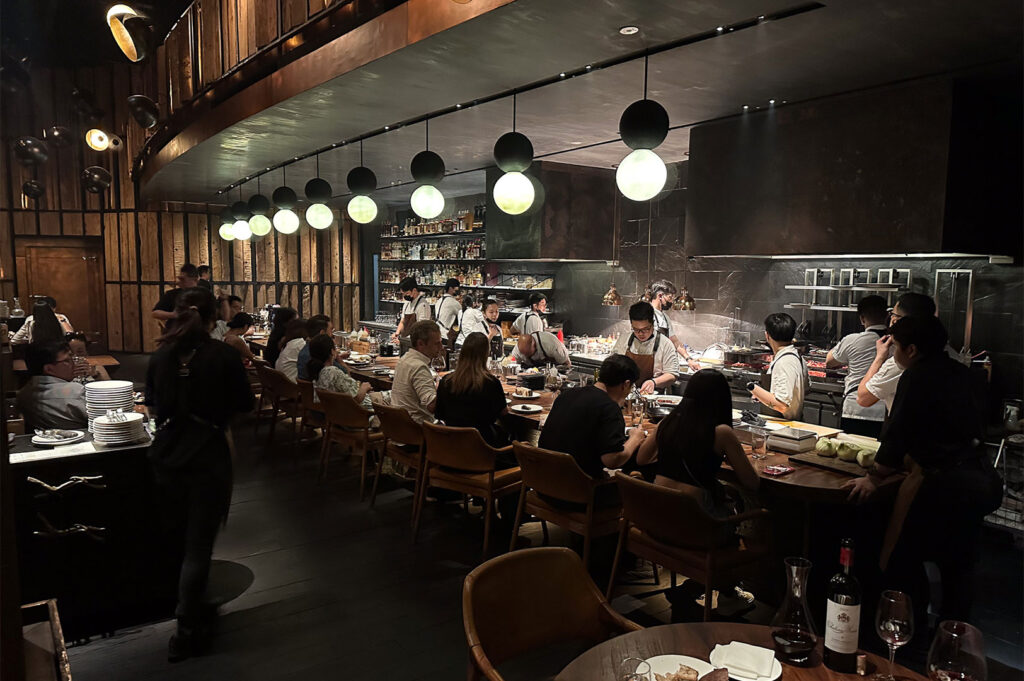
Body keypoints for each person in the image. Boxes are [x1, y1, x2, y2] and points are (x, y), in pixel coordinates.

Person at [844, 315, 1000, 633]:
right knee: (958, 566)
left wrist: (874, 478)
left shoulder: (916, 375)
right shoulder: (966, 373)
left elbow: (899, 431)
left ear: (912, 349)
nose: (894, 353)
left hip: (937, 483)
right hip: (977, 478)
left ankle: (905, 632)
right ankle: (953, 637)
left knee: (905, 557)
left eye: (897, 347)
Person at [144, 287, 253, 662]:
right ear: (213, 318)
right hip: (208, 454)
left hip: (166, 455)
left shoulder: (161, 356)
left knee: (178, 541)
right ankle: (187, 629)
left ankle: (188, 608)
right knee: (198, 545)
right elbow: (244, 403)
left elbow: (152, 405)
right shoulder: (223, 355)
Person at [637, 369, 759, 517]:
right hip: (696, 520)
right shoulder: (722, 433)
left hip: (659, 513)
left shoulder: (667, 422)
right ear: (723, 399)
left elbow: (641, 459)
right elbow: (752, 482)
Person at [538, 354, 647, 493]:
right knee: (639, 485)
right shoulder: (609, 408)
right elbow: (612, 460)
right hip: (578, 493)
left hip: (543, 484)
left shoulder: (567, 394)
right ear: (626, 384)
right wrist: (636, 438)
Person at [856, 292, 937, 414]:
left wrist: (880, 357)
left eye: (893, 315)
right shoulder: (950, 356)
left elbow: (863, 398)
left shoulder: (900, 364)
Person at [826, 295, 889, 437]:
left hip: (855, 409)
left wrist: (841, 346)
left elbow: (829, 362)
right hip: (884, 411)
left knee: (849, 447)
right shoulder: (896, 343)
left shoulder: (852, 339)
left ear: (862, 318)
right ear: (887, 316)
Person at [435, 332, 511, 449]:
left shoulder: (445, 381)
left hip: (451, 448)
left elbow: (439, 414)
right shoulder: (491, 383)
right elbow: (503, 414)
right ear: (486, 354)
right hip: (483, 449)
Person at [16, 339, 88, 429]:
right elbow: (102, 419)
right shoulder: (76, 392)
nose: (73, 364)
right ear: (49, 369)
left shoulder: (23, 394)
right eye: (67, 360)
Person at [748, 313, 808, 420]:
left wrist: (751, 387)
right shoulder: (797, 357)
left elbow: (781, 405)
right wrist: (761, 396)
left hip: (783, 425)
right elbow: (804, 389)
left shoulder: (785, 362)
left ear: (767, 335)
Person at [612, 301, 680, 394]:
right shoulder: (623, 340)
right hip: (625, 394)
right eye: (636, 329)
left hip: (654, 396)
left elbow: (672, 374)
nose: (641, 334)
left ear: (653, 324)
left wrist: (654, 382)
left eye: (645, 329)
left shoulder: (665, 344)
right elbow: (612, 366)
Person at [391, 320, 442, 424]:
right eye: (437, 343)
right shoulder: (419, 367)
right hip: (416, 427)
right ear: (420, 344)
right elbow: (432, 406)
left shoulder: (404, 359)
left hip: (398, 424)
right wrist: (445, 388)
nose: (441, 347)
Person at [648, 279, 701, 372]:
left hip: (662, 365)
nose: (672, 301)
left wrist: (689, 359)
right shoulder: (646, 314)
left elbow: (675, 341)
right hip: (649, 365)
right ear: (660, 296)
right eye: (670, 297)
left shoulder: (665, 317)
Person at [307, 335, 372, 409]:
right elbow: (356, 400)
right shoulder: (333, 372)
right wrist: (364, 388)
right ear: (332, 351)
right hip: (357, 411)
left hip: (335, 412)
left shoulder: (316, 370)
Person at [297, 315, 335, 381]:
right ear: (322, 333)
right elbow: (345, 373)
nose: (332, 334)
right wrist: (338, 359)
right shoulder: (319, 354)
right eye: (331, 330)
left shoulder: (304, 350)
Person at [434, 278, 462, 348]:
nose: (458, 290)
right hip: (446, 336)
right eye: (457, 288)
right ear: (450, 288)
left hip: (437, 333)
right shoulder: (454, 302)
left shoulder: (439, 300)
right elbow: (462, 317)